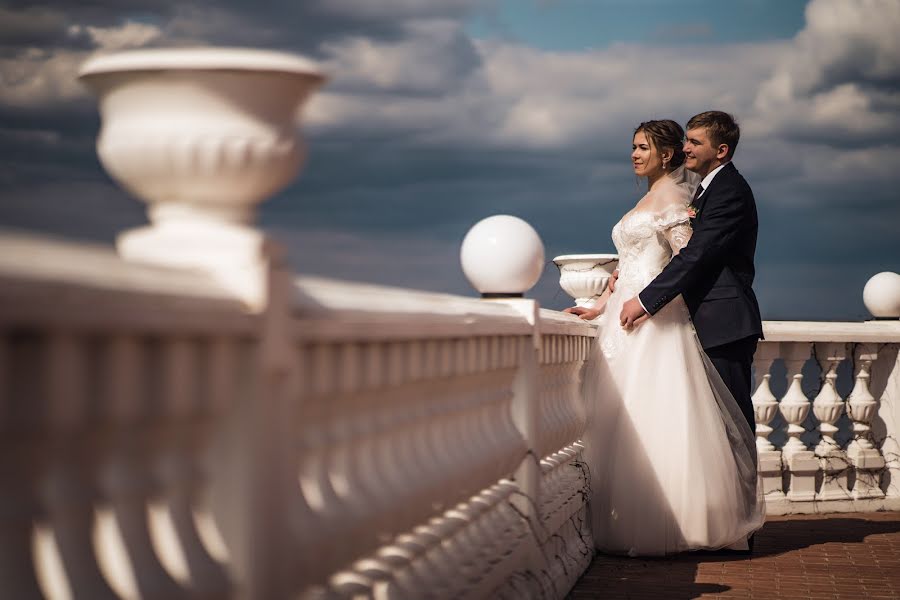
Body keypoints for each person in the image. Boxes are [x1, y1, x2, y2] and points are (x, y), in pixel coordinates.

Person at [565, 114, 764, 556]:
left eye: (642, 147)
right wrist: (602, 302)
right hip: (639, 309)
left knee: (723, 425)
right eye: (632, 147)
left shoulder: (719, 191)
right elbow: (638, 260)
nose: (634, 155)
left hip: (713, 318)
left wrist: (646, 301)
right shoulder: (689, 191)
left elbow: (690, 257)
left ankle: (737, 523)